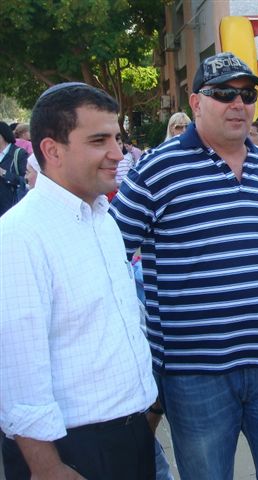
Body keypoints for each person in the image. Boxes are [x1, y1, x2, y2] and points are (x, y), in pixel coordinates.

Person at [110, 52, 258, 480]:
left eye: (247, 94)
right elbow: (109, 256)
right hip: (194, 375)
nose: (238, 103)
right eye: (223, 93)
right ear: (196, 102)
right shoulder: (158, 168)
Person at [0, 82, 158, 479]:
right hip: (70, 450)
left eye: (117, 138)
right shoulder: (19, 236)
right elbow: (17, 369)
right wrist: (47, 467)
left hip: (130, 435)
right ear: (52, 150)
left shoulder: (104, 220)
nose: (117, 153)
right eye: (99, 140)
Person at [0, 121, 27, 217]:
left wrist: (4, 173)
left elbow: (25, 181)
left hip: (10, 207)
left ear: (3, 135)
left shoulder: (19, 154)